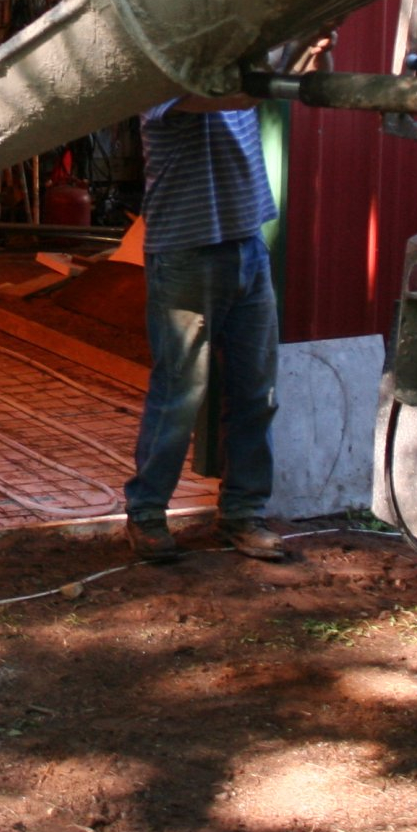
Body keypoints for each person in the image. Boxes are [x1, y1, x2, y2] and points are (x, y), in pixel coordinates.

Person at [122, 36, 330, 564]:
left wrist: (309, 48)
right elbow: (238, 97)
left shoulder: (233, 71)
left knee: (256, 393)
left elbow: (278, 82)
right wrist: (287, 61)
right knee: (178, 395)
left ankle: (242, 514)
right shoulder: (161, 83)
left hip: (246, 246)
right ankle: (146, 515)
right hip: (186, 255)